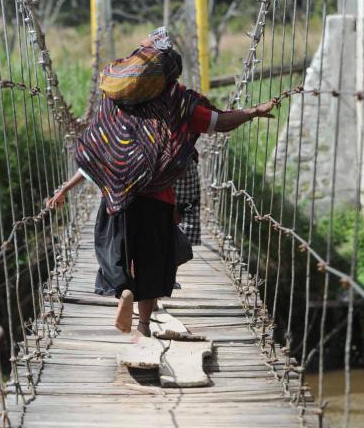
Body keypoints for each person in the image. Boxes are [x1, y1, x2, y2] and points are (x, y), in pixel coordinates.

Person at [46, 28, 277, 339]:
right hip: (159, 200)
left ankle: (122, 289)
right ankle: (143, 326)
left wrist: (65, 187)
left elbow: (103, 152)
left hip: (117, 197)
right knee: (152, 263)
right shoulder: (180, 103)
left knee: (112, 251)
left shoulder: (116, 101)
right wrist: (253, 112)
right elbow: (219, 123)